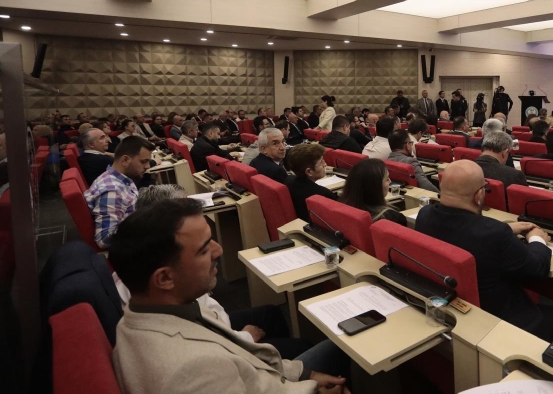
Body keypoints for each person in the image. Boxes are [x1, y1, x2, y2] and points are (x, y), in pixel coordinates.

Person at [109, 198, 352, 394]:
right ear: (164, 278)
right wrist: (313, 390)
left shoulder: (150, 309)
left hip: (266, 376)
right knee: (341, 348)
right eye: (204, 249)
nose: (219, 250)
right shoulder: (193, 370)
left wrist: (305, 374)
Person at [415, 160, 553, 344]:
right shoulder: (494, 234)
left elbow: (462, 228)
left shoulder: (424, 215)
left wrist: (506, 228)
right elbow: (537, 269)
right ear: (479, 195)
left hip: (450, 307)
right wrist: (536, 238)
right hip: (498, 322)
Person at [84, 137, 155, 248]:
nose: (148, 166)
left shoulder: (119, 178)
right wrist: (147, 226)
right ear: (125, 160)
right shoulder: (112, 190)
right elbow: (104, 238)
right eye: (143, 161)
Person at [338, 159, 407, 227]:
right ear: (375, 188)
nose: (390, 181)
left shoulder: (341, 210)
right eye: (387, 179)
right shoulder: (394, 219)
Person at [285, 144, 338, 223]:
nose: (325, 164)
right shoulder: (323, 194)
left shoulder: (288, 180)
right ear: (309, 172)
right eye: (321, 162)